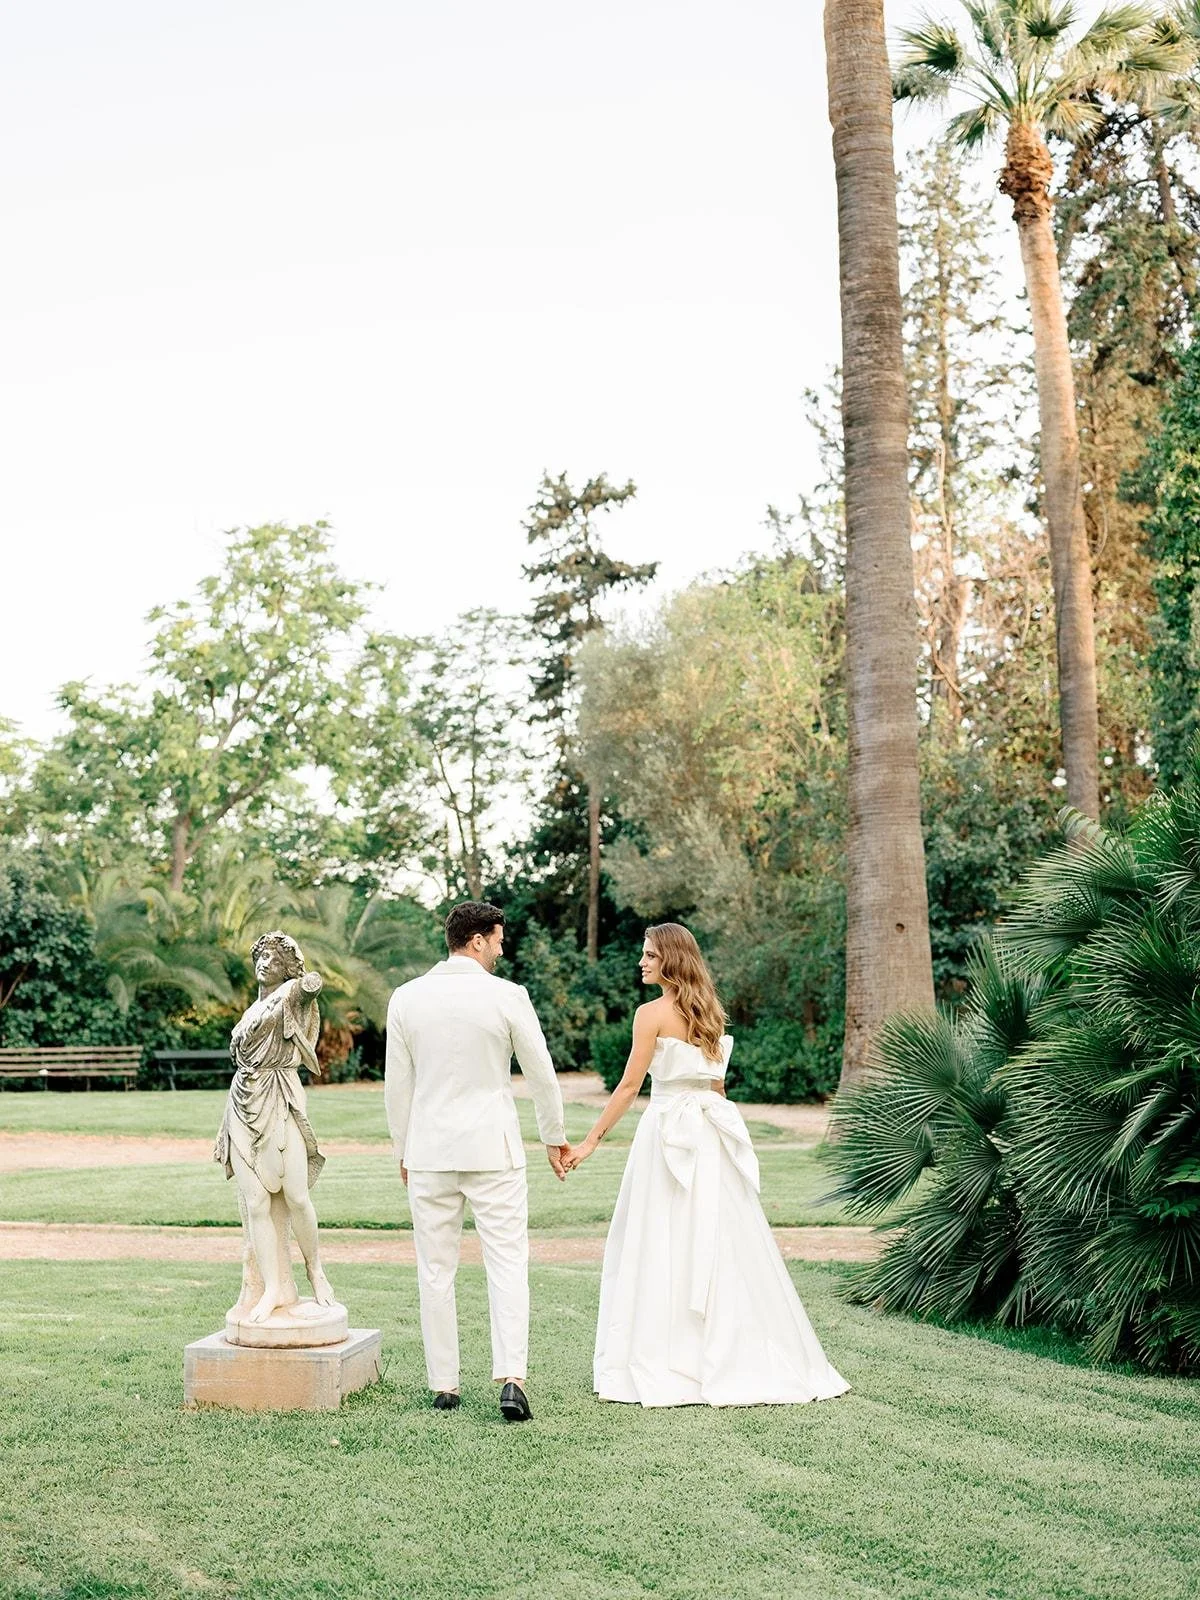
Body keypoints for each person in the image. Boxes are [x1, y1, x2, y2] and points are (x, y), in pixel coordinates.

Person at [565, 922, 849, 1408]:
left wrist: (591, 1142)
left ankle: (670, 1356)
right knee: (713, 1236)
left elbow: (630, 1087)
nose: (642, 962)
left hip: (668, 1133)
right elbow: (717, 1087)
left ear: (671, 960)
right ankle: (724, 1351)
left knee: (662, 1235)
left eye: (650, 955)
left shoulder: (650, 1014)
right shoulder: (710, 1012)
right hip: (707, 1135)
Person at [385, 900, 568, 1422]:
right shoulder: (507, 996)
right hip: (493, 1151)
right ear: (478, 940)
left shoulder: (406, 998)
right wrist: (553, 1137)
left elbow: (398, 1085)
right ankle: (512, 1379)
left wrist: (403, 1149)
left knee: (435, 1269)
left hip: (430, 1151)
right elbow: (541, 1073)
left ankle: (444, 1385)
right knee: (507, 1262)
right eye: (499, 940)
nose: (502, 950)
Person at [215, 930, 336, 1325]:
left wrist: (305, 985)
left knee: (297, 1195)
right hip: (242, 1099)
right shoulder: (252, 1009)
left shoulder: (289, 996)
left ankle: (315, 1269)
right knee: (256, 1203)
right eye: (262, 956)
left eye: (274, 959)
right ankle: (271, 1289)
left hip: (279, 1094)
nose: (265, 963)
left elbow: (308, 987)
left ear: (286, 969)